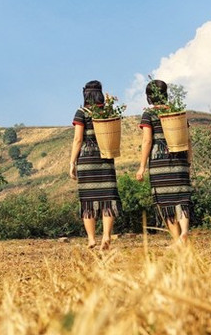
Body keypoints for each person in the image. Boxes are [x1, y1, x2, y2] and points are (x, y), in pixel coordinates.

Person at [135, 79, 193, 244]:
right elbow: (188, 139)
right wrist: (189, 160)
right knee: (182, 198)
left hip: (159, 162)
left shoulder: (149, 114)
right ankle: (184, 233)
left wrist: (141, 167)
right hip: (179, 159)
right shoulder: (177, 112)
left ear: (150, 97)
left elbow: (147, 141)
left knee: (165, 202)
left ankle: (176, 239)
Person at [69, 80, 121, 250]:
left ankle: (92, 239)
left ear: (85, 95)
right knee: (108, 199)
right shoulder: (107, 112)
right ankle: (106, 236)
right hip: (105, 157)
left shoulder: (81, 113)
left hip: (87, 160)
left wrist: (72, 162)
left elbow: (78, 139)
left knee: (88, 201)